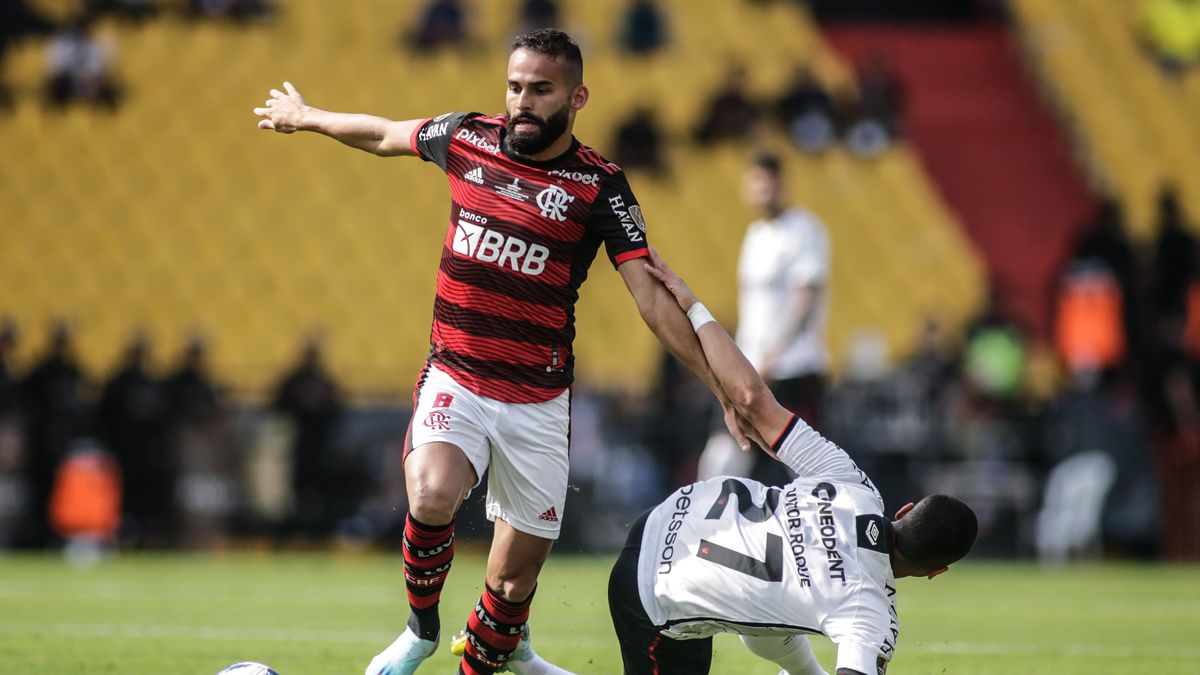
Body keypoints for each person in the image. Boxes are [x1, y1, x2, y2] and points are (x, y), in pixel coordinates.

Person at [253, 28, 749, 675]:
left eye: (541, 89)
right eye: (515, 86)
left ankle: (496, 651)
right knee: (431, 494)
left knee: (511, 586)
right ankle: (421, 628)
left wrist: (717, 385)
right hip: (457, 374)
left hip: (537, 403)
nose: (522, 100)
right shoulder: (467, 138)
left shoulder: (599, 186)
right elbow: (383, 135)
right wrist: (308, 117)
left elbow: (651, 300)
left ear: (576, 98)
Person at [606, 249, 978, 675]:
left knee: (780, 602)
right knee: (780, 597)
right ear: (937, 571)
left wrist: (693, 306)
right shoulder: (871, 615)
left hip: (669, 515)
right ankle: (528, 663)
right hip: (656, 595)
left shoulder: (853, 483)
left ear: (906, 510)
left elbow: (752, 398)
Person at [698, 152, 830, 486]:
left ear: (782, 185)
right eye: (755, 183)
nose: (762, 191)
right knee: (723, 452)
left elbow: (806, 299)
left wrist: (774, 354)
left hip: (793, 369)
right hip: (750, 368)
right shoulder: (755, 234)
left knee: (800, 462)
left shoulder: (804, 230)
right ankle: (706, 528)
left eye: (768, 183)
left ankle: (825, 527)